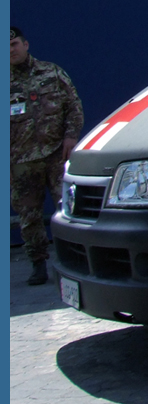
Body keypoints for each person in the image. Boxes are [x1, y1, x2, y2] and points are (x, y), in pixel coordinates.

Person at [10, 27, 84, 285]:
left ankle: (75, 258)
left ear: (26, 44)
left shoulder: (51, 73)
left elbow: (73, 106)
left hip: (56, 156)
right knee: (28, 217)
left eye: (14, 44)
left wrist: (71, 136)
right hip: (20, 162)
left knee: (68, 209)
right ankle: (38, 263)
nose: (11, 50)